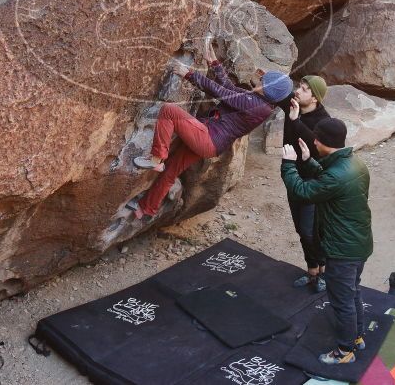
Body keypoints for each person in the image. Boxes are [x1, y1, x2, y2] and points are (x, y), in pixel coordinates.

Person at [133, 40, 291, 219]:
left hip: (208, 138)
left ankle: (156, 158)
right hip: (210, 142)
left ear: (268, 90)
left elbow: (222, 93)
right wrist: (213, 63)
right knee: (171, 172)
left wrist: (190, 75)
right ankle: (147, 209)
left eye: (264, 80)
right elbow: (229, 88)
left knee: (169, 111)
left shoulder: (257, 106)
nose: (261, 77)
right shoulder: (259, 101)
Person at [280, 118, 373, 365]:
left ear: (321, 141)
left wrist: (289, 164)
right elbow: (329, 178)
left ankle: (344, 351)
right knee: (352, 292)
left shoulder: (337, 176)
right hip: (358, 242)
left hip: (343, 249)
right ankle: (357, 337)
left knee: (342, 300)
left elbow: (301, 190)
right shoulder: (355, 164)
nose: (314, 140)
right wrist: (309, 160)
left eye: (315, 138)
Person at [281, 76, 330, 291]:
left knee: (311, 230)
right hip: (293, 177)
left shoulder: (324, 121)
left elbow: (314, 144)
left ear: (315, 99)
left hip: (314, 180)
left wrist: (295, 121)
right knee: (301, 229)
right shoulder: (294, 105)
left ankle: (324, 272)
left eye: (305, 90)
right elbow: (270, 93)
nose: (298, 91)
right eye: (299, 87)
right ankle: (312, 270)